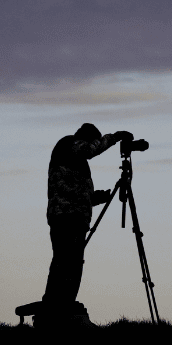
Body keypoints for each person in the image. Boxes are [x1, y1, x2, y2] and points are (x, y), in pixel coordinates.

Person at [40, 123, 132, 327]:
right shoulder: (69, 144)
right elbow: (90, 150)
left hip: (71, 216)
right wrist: (114, 137)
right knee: (67, 263)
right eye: (94, 141)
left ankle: (59, 309)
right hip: (66, 217)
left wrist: (96, 198)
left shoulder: (73, 158)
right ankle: (57, 312)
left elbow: (73, 191)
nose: (95, 146)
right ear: (86, 139)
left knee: (68, 263)